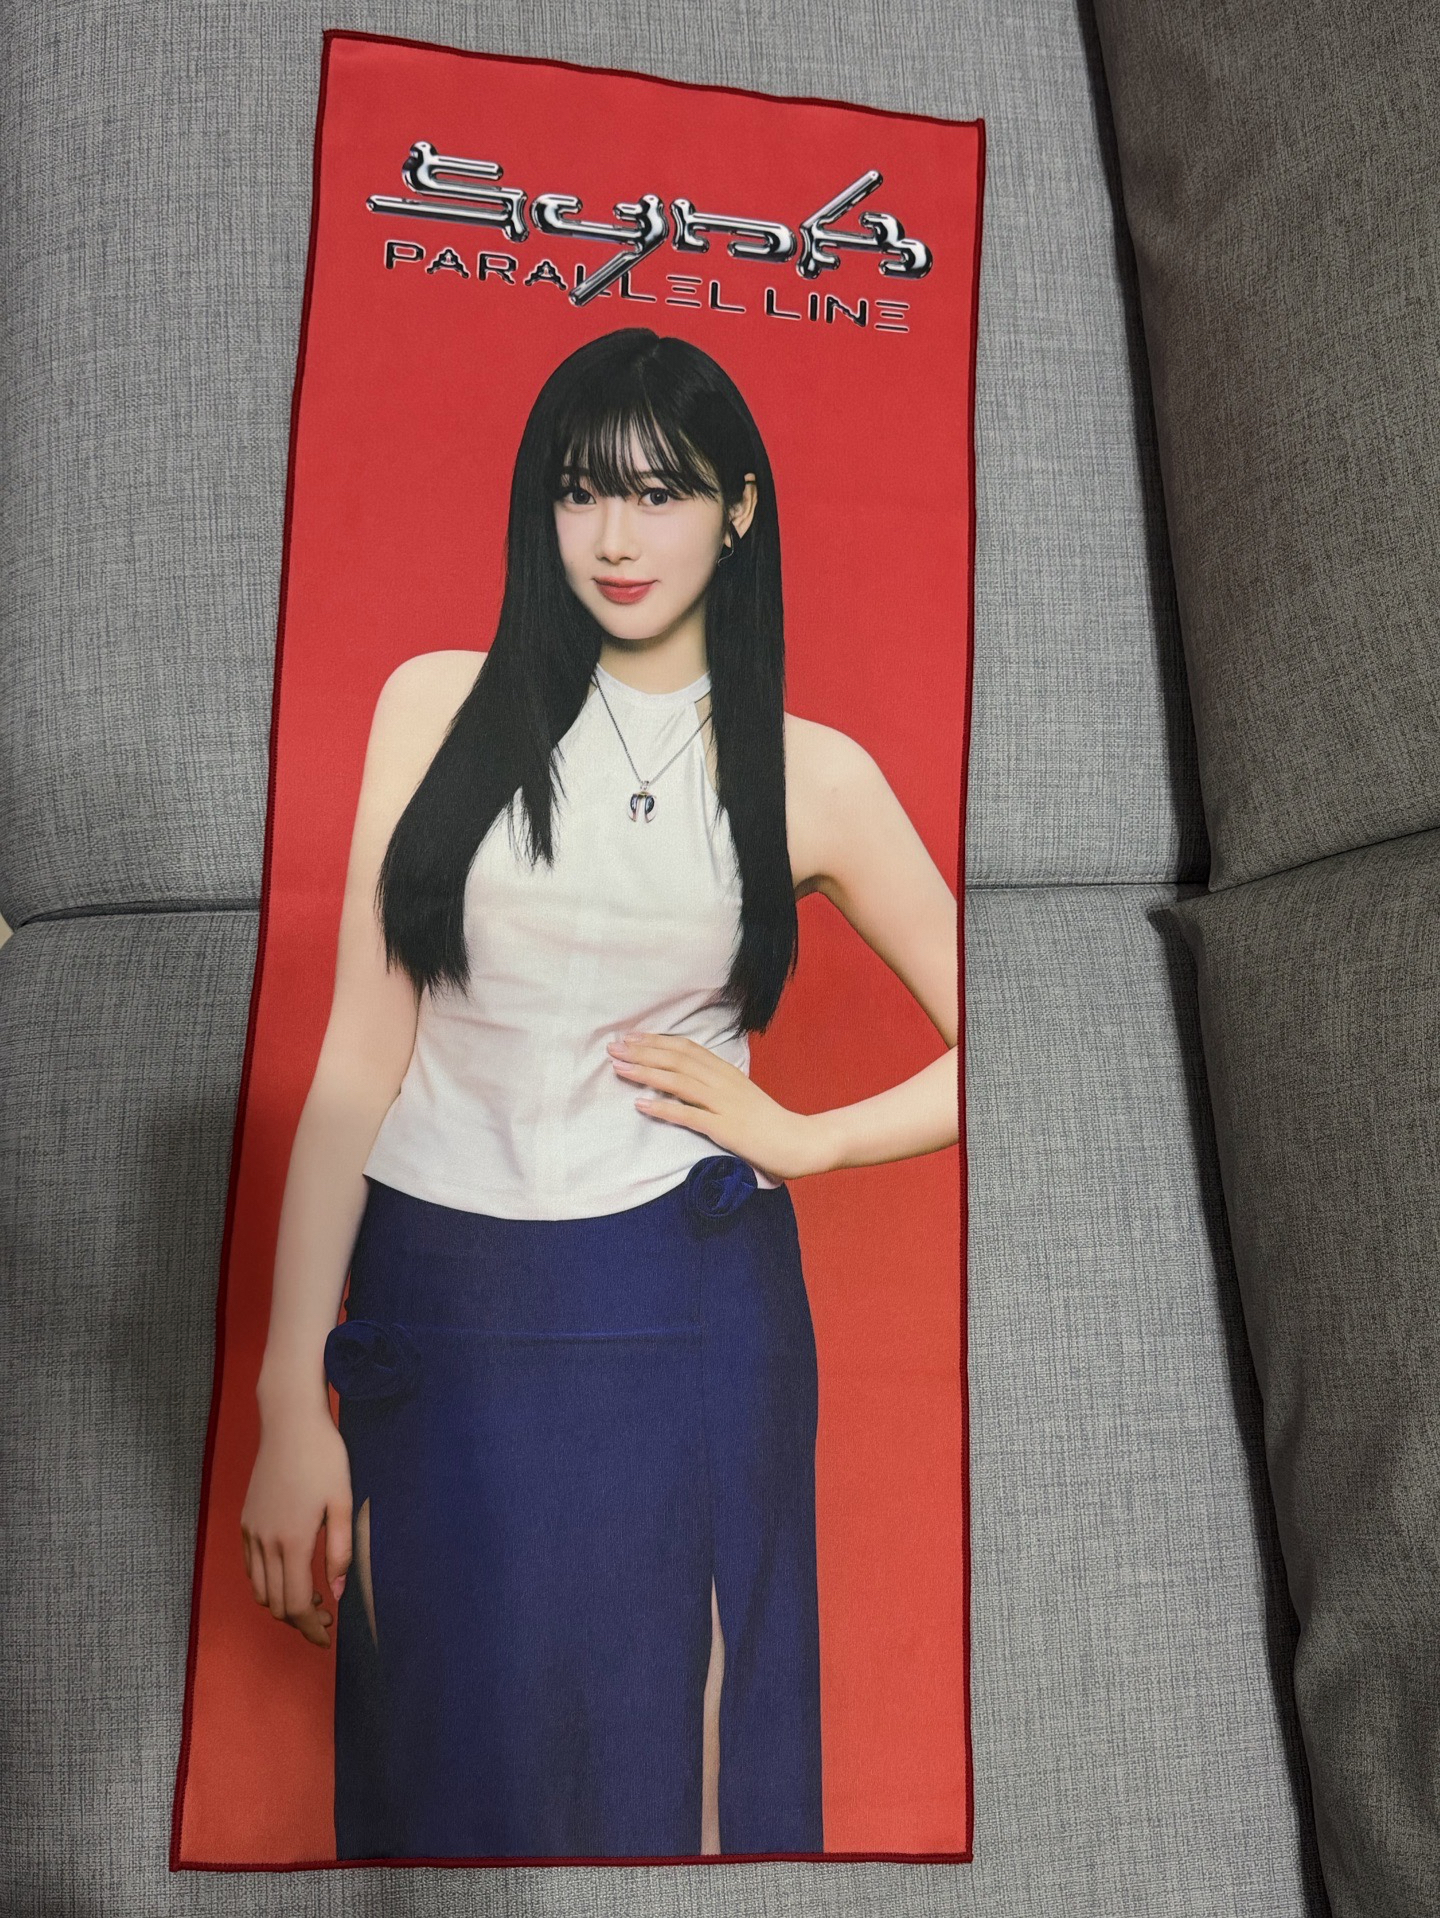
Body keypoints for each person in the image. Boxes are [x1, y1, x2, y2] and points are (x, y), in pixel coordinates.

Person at [239, 326, 960, 1862]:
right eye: (581, 492)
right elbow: (358, 1059)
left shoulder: (814, 775)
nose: (616, 537)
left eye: (661, 491)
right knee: (440, 1781)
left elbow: (1008, 1028)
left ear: (740, 509)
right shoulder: (435, 705)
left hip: (679, 1289)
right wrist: (286, 1396)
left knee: (675, 1785)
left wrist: (814, 1137)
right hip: (437, 1294)